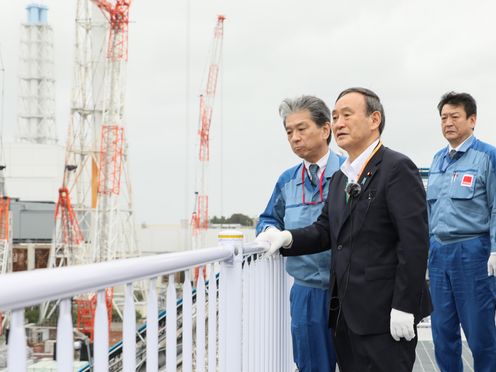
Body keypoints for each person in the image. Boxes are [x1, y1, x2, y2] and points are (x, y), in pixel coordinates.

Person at [257, 87, 432, 372]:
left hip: (384, 315)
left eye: (346, 115)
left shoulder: (397, 168)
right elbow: (325, 230)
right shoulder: (342, 178)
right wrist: (286, 237)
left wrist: (404, 306)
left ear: (374, 120)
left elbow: (413, 243)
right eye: (335, 116)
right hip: (346, 318)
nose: (338, 123)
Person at [256, 95, 341, 372]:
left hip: (349, 290)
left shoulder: (349, 173)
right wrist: (269, 232)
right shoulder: (287, 180)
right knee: (311, 365)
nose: (294, 137)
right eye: (289, 132)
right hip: (307, 291)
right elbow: (268, 218)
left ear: (325, 129)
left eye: (301, 129)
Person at [426, 91, 496, 372]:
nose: (448, 123)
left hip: (473, 253)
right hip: (438, 253)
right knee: (442, 332)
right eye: (443, 117)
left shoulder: (487, 156)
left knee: (480, 334)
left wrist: (494, 249)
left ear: (472, 119)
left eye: (455, 116)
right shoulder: (437, 159)